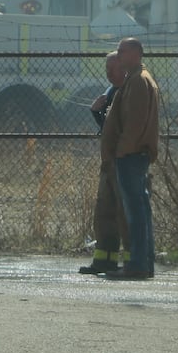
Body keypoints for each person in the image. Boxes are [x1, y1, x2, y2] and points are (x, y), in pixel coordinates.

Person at [103, 36, 160, 280]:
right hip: (134, 154)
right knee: (140, 210)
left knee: (135, 212)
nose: (118, 55)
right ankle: (144, 262)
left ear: (135, 53)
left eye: (122, 51)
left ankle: (137, 264)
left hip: (132, 155)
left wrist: (123, 149)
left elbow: (135, 121)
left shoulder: (138, 81)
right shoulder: (136, 79)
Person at [80, 50, 128, 275]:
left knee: (124, 211)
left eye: (112, 69)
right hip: (108, 159)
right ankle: (103, 259)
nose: (108, 73)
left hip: (124, 159)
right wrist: (95, 112)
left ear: (123, 67)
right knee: (104, 211)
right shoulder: (111, 91)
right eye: (106, 69)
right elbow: (106, 127)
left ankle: (129, 260)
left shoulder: (129, 91)